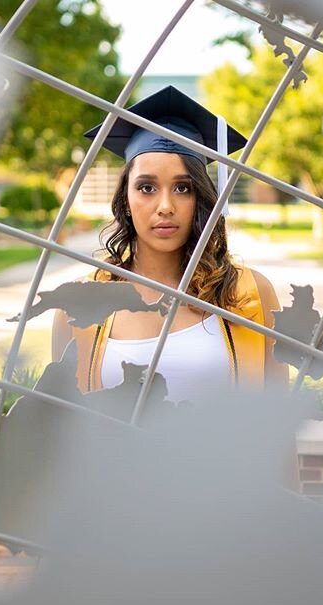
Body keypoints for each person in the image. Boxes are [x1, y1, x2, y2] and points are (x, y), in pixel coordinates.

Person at [52, 86, 287, 404]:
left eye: (183, 188)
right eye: (147, 187)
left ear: (203, 198)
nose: (165, 205)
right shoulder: (79, 305)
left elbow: (277, 430)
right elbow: (64, 434)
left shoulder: (250, 294)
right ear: (126, 197)